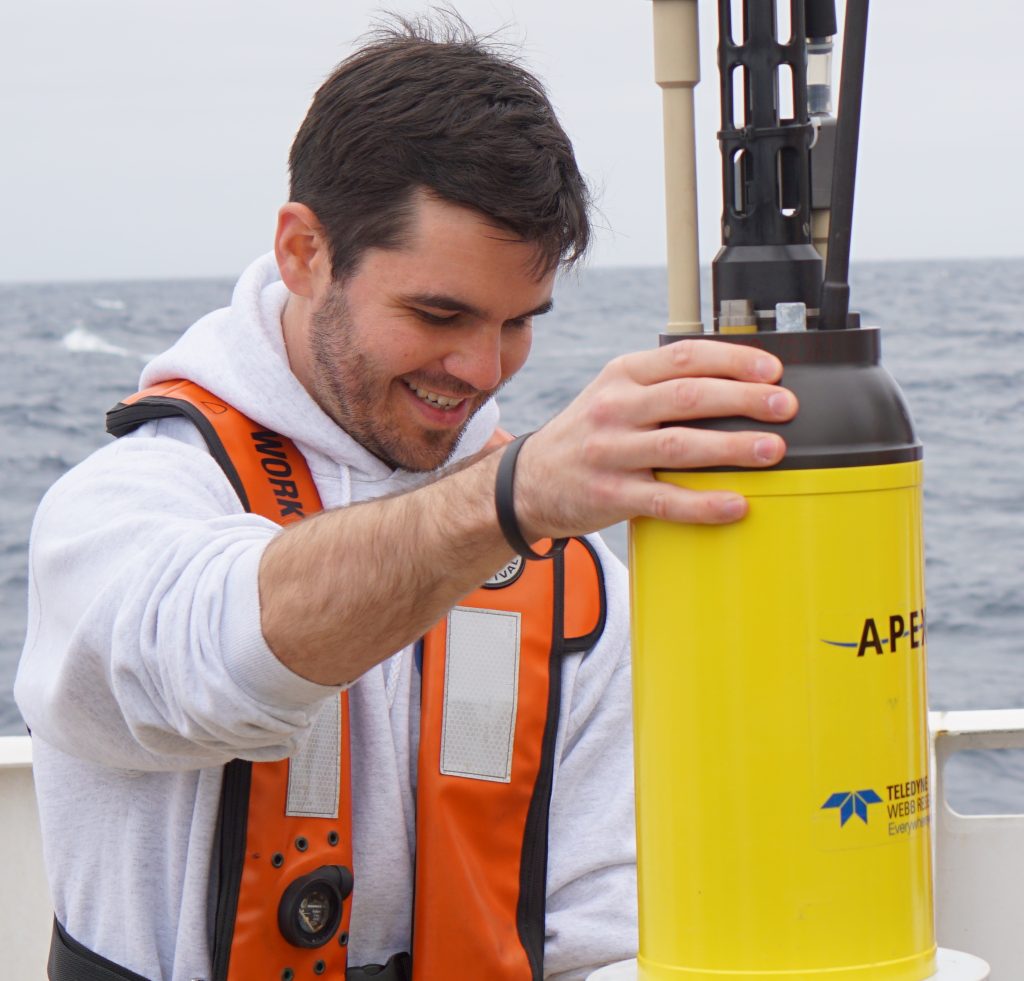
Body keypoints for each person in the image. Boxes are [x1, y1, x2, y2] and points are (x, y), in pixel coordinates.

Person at [15, 14, 796, 981]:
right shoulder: (128, 504)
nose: (479, 368)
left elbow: (604, 927)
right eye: (438, 313)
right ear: (306, 252)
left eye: (518, 323)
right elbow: (204, 660)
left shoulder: (573, 577)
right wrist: (497, 505)